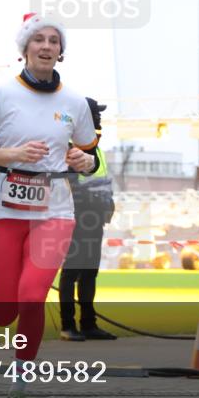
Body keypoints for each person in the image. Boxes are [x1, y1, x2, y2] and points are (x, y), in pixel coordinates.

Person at [0, 12, 99, 398]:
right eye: (37, 39)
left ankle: (18, 393)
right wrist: (11, 155)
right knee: (6, 310)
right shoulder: (0, 95)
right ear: (24, 49)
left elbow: (92, 158)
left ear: (61, 51)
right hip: (3, 211)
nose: (45, 46)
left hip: (54, 212)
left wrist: (85, 160)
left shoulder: (76, 102)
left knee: (33, 297)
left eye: (53, 40)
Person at [59, 98, 117, 342]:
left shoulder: (96, 149)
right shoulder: (71, 147)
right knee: (72, 271)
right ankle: (68, 325)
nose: (99, 119)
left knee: (89, 272)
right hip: (77, 219)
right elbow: (69, 185)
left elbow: (101, 182)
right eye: (95, 114)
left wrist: (108, 203)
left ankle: (88, 323)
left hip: (95, 220)